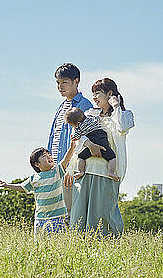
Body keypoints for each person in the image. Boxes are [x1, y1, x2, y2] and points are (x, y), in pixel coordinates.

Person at [65, 78, 135, 238]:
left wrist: (116, 105)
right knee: (79, 216)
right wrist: (90, 144)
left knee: (102, 216)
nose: (94, 98)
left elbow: (122, 127)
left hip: (106, 172)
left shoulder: (125, 115)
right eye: (93, 94)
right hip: (84, 170)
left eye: (97, 94)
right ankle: (80, 253)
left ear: (110, 94)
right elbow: (76, 136)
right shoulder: (89, 114)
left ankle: (106, 250)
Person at [0, 142, 76, 236]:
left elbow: (66, 160)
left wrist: (72, 148)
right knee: (40, 245)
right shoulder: (34, 178)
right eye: (45, 156)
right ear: (37, 164)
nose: (50, 157)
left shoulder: (57, 171)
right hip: (40, 219)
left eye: (50, 155)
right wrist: (7, 185)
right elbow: (22, 187)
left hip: (58, 217)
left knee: (59, 243)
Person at [47, 63, 94, 213]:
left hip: (71, 167)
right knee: (56, 209)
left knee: (71, 209)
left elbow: (83, 138)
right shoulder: (60, 107)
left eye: (64, 82)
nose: (60, 87)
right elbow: (54, 137)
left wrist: (71, 167)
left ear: (76, 81)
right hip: (56, 165)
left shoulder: (84, 105)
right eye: (58, 83)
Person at [65, 107, 118, 181]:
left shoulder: (79, 127)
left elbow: (76, 137)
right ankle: (111, 172)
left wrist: (73, 136)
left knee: (81, 157)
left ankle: (81, 171)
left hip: (92, 144)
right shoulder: (92, 118)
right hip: (103, 142)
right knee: (112, 157)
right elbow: (98, 117)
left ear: (77, 123)